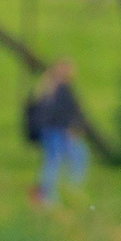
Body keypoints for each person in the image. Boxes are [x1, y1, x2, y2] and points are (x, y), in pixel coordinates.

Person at [30, 59, 90, 207]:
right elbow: (63, 112)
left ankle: (52, 193)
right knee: (61, 160)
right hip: (58, 131)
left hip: (53, 131)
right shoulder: (60, 90)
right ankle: (61, 192)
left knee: (56, 161)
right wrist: (70, 128)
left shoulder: (50, 88)